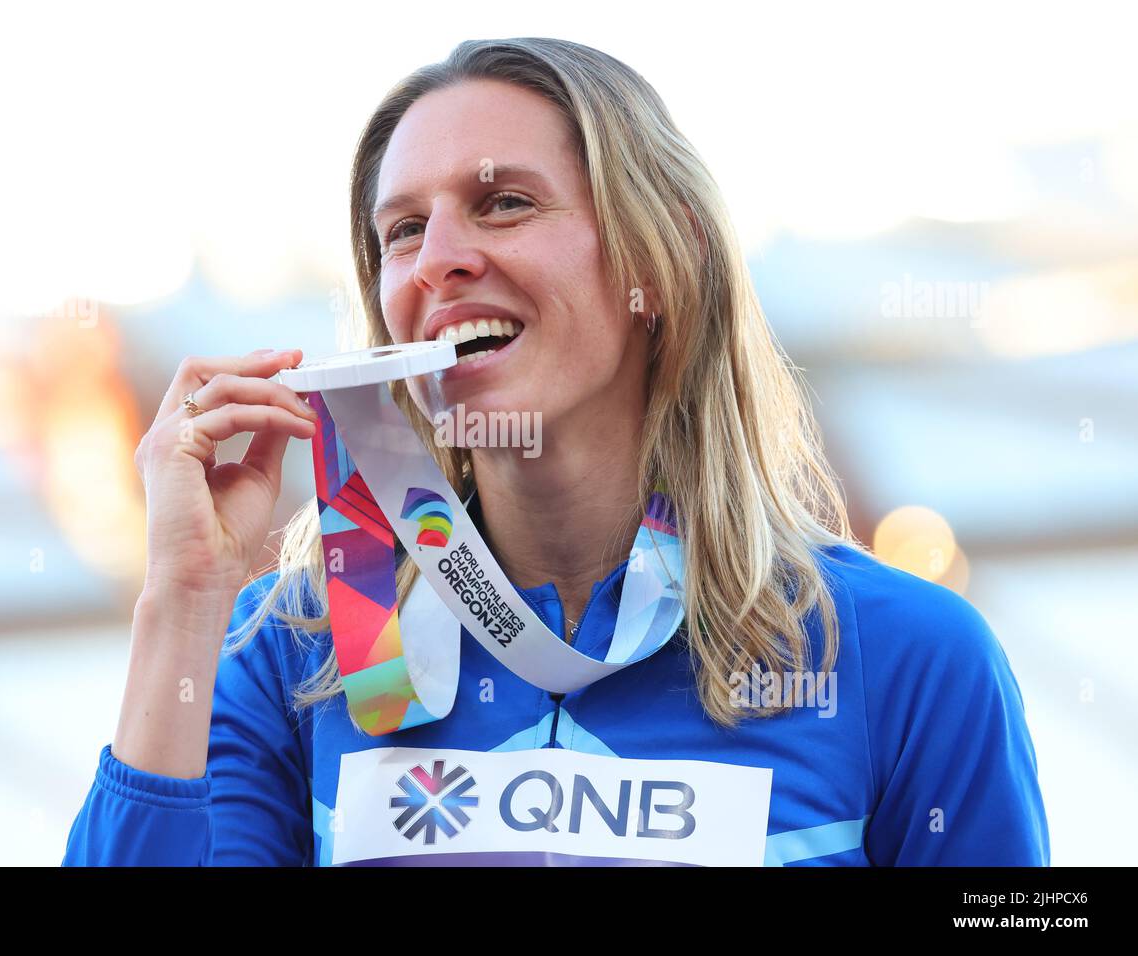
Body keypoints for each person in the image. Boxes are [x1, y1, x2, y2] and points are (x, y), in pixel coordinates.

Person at [62, 37, 1049, 866]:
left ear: (663, 263)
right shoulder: (303, 647)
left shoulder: (895, 652)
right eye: (401, 230)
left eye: (503, 204)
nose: (437, 258)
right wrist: (183, 599)